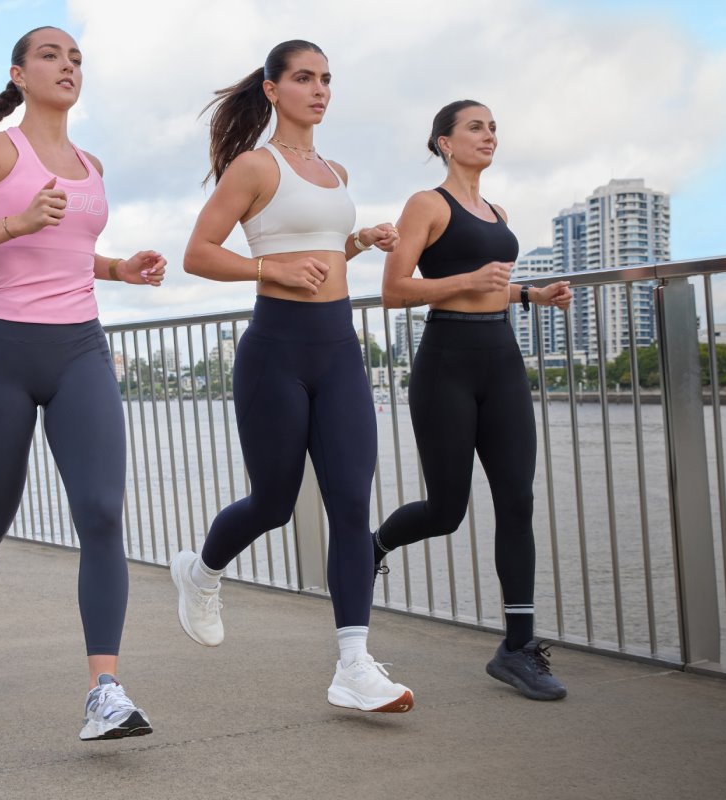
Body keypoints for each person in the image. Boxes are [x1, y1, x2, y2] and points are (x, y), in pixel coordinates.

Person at [0, 25, 165, 740]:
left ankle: (104, 690)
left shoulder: (92, 163)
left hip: (81, 349)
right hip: (3, 352)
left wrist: (120, 269)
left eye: (76, 57)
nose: (67, 65)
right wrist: (15, 222)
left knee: (103, 512)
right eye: (51, 55)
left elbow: (72, 253)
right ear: (18, 74)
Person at [168, 40, 412, 713]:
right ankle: (201, 571)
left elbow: (324, 252)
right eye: (304, 78)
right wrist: (266, 270)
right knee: (273, 503)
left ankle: (353, 664)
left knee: (352, 506)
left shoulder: (335, 170)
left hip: (338, 349)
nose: (320, 89)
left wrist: (363, 242)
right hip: (276, 349)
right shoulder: (254, 166)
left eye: (327, 79)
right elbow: (198, 253)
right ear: (273, 90)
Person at [374, 100, 573, 700]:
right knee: (447, 510)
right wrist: (466, 281)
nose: (489, 136)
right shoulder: (427, 204)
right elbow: (394, 290)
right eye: (475, 127)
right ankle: (373, 548)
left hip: (502, 360)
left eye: (493, 128)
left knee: (517, 499)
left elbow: (491, 287)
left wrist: (529, 295)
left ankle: (518, 648)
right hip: (447, 364)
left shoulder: (498, 211)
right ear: (444, 142)